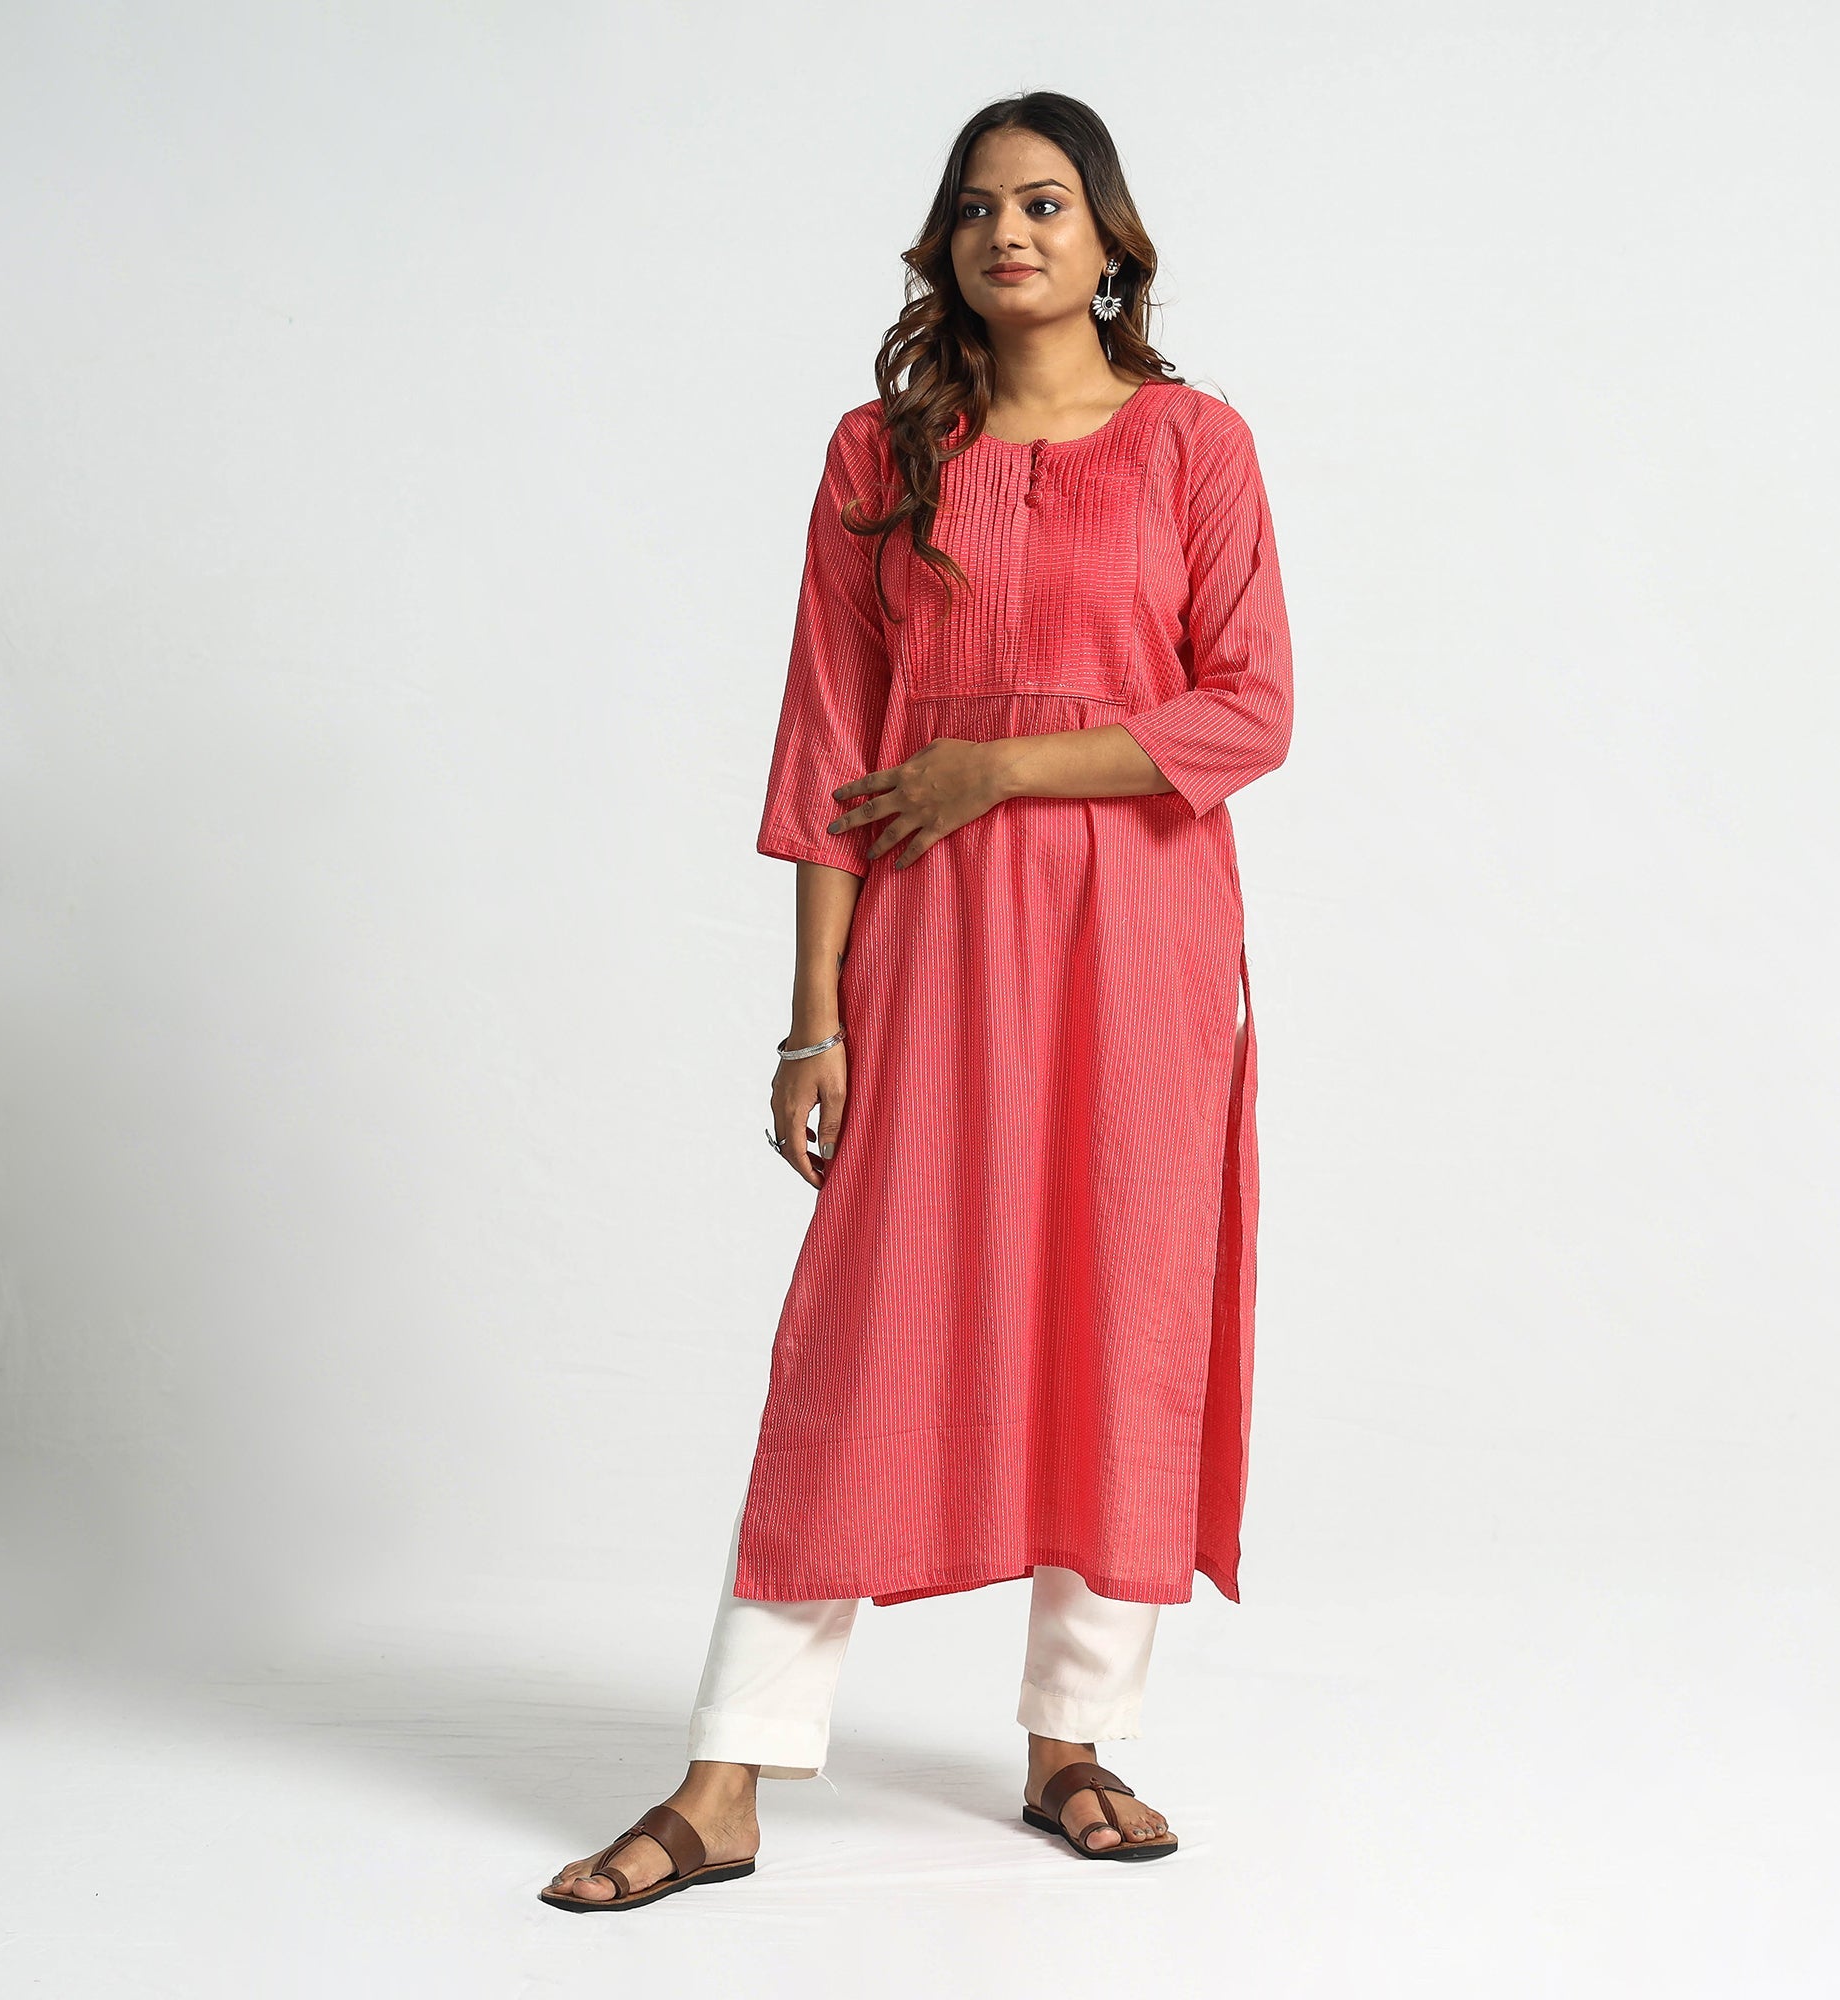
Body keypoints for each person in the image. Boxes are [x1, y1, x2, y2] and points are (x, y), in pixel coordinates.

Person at [541, 88, 1293, 1913]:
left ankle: (1073, 1742)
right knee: (863, 1328)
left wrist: (1001, 770)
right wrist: (814, 1016)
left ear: (1110, 242)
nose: (1006, 233)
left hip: (1142, 936)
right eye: (975, 208)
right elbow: (829, 738)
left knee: (1124, 1304)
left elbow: (1249, 706)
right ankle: (727, 1778)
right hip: (934, 934)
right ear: (944, 246)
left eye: (1044, 203)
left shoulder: (1194, 445)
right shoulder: (880, 457)